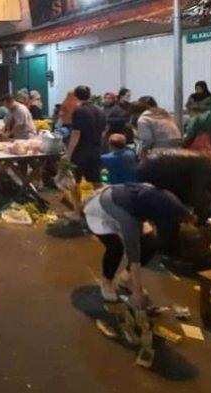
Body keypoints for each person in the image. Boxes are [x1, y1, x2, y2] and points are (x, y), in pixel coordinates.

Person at [83, 183, 194, 307]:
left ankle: (125, 279)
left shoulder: (164, 198)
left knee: (151, 244)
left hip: (130, 208)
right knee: (116, 248)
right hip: (102, 213)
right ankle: (106, 281)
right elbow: (133, 254)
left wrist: (191, 223)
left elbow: (183, 214)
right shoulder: (130, 218)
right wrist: (138, 292)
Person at [64, 85, 106, 213]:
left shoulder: (79, 111)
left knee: (74, 181)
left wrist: (68, 154)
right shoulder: (100, 111)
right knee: (96, 181)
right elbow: (104, 131)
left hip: (81, 151)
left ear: (76, 96)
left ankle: (77, 212)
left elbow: (76, 134)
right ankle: (103, 208)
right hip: (96, 149)